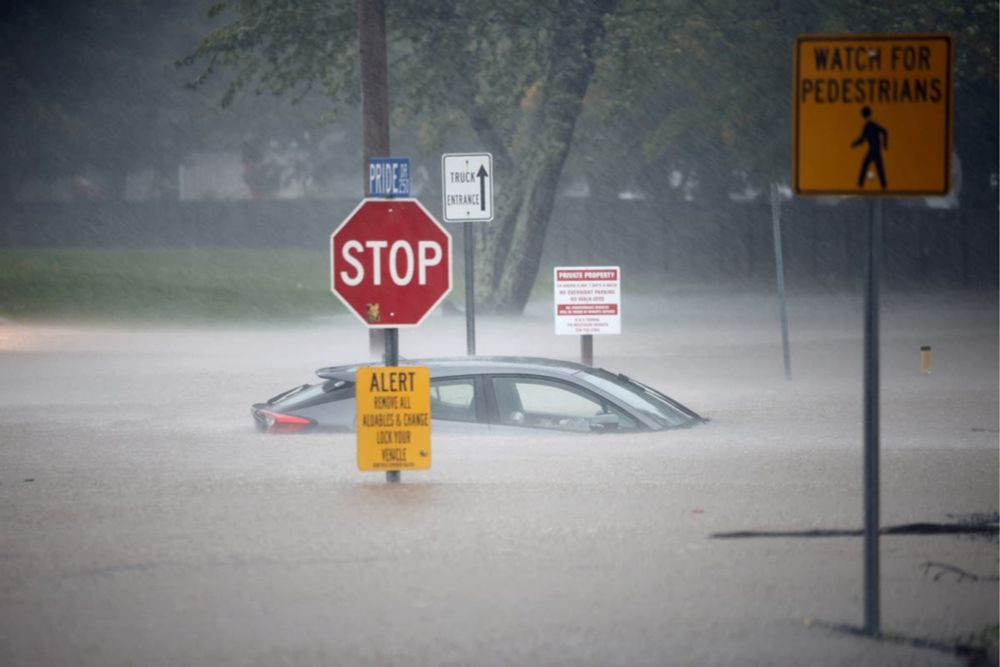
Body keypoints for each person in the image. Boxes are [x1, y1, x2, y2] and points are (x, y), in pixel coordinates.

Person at [851, 106, 889, 189]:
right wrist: (855, 144)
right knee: (874, 167)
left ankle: (861, 184)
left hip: (874, 150)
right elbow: (863, 138)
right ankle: (882, 185)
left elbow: (884, 132)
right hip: (873, 149)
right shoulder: (868, 125)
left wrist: (885, 145)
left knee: (870, 166)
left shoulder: (870, 125)